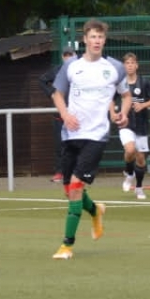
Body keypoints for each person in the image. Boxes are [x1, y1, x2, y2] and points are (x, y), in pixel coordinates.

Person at [50, 20, 128, 259]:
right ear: (84, 39)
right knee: (69, 190)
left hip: (97, 135)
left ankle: (67, 245)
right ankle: (95, 210)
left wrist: (123, 113)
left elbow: (125, 95)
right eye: (93, 37)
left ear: (105, 40)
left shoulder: (114, 67)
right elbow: (57, 94)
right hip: (71, 134)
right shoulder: (71, 66)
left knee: (75, 186)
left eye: (100, 37)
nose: (97, 41)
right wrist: (65, 115)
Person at [117, 52, 150, 201]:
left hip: (141, 124)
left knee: (141, 158)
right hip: (126, 123)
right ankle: (129, 174)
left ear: (137, 65)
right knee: (130, 150)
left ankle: (139, 187)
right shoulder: (120, 83)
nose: (129, 66)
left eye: (132, 63)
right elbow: (111, 99)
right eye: (127, 63)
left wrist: (143, 105)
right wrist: (115, 112)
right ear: (124, 66)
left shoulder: (145, 82)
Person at [44, 49, 76, 182]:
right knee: (59, 144)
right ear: (62, 57)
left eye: (70, 55)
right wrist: (51, 93)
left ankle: (77, 172)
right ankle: (59, 171)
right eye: (66, 56)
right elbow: (42, 80)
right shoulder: (57, 70)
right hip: (60, 116)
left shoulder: (82, 70)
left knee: (77, 144)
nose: (68, 58)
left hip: (76, 115)